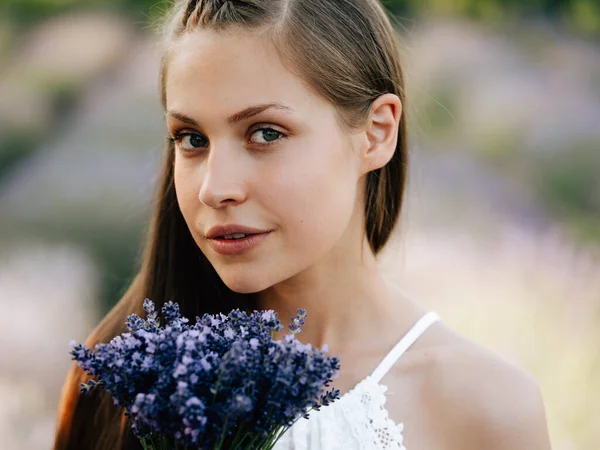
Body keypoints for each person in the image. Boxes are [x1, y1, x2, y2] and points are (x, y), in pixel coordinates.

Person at [52, 0, 552, 449]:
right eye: (191, 138)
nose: (214, 188)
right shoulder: (125, 378)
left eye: (265, 133)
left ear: (376, 133)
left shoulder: (486, 410)